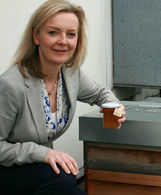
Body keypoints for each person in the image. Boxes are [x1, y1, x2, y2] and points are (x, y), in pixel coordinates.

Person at [0, 0, 126, 194]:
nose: (63, 41)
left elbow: (101, 93)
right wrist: (43, 153)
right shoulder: (11, 84)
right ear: (36, 36)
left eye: (71, 34)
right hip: (7, 170)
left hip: (38, 172)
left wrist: (114, 108)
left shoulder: (70, 74)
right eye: (53, 32)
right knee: (63, 177)